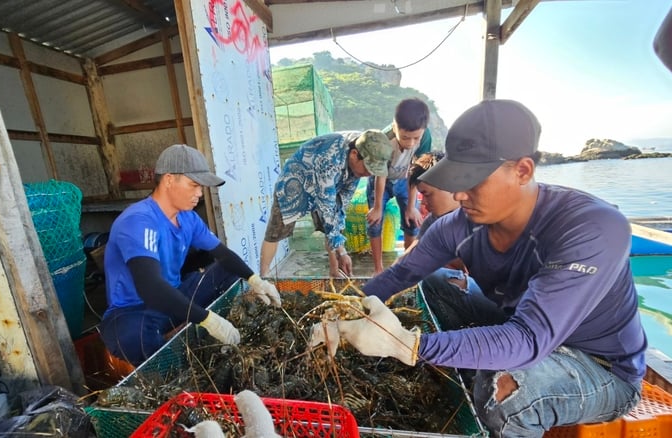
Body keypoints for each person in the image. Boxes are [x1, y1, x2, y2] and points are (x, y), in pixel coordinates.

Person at [311, 100, 647, 437]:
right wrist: (343, 310)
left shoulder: (592, 227)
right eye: (456, 179)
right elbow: (400, 275)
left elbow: (530, 339)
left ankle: (489, 393)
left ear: (523, 171)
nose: (458, 194)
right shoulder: (459, 226)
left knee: (505, 392)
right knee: (436, 282)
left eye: (473, 181)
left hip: (601, 367)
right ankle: (471, 374)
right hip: (521, 326)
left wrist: (406, 344)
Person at [100, 144, 281, 366]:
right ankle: (181, 356)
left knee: (227, 271)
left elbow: (223, 256)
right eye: (193, 185)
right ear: (168, 180)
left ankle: (219, 328)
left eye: (201, 187)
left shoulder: (189, 218)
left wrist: (256, 280)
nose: (199, 193)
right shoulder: (139, 220)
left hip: (176, 298)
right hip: (135, 311)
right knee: (131, 339)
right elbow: (151, 289)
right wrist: (208, 319)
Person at [259, 130, 392, 278]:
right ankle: (264, 277)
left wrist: (341, 250)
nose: (369, 174)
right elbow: (326, 209)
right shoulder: (330, 158)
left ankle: (335, 271)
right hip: (297, 179)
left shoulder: (365, 152)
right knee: (277, 230)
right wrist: (341, 251)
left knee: (336, 226)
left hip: (330, 183)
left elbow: (340, 207)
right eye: (368, 169)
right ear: (354, 154)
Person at [399, 151, 483, 297]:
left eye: (427, 194)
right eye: (421, 195)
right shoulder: (433, 220)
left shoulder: (479, 216)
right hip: (471, 290)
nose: (424, 203)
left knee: (429, 276)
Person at [367, 98, 431, 275]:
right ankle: (378, 269)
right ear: (395, 126)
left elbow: (415, 171)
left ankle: (407, 268)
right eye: (405, 137)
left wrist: (411, 207)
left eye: (415, 138)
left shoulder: (425, 137)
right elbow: (381, 175)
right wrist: (378, 208)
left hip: (406, 179)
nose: (410, 143)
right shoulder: (383, 140)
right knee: (375, 220)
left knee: (412, 220)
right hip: (381, 180)